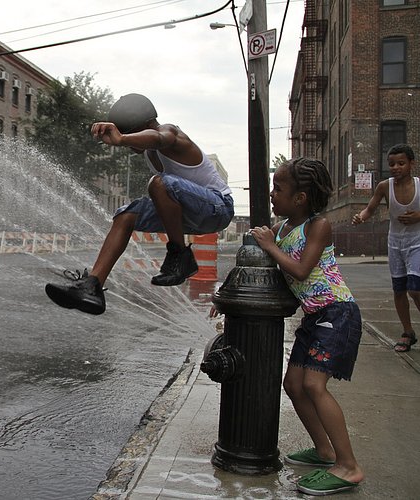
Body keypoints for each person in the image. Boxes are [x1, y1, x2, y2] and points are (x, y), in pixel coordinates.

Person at [45, 93, 234, 315]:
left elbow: (159, 137)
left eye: (126, 134)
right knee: (125, 215)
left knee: (159, 183)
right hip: (190, 212)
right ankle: (92, 286)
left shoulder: (171, 132)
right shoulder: (149, 153)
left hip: (218, 207)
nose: (124, 143)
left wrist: (123, 139)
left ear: (140, 127)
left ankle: (179, 255)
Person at [250, 157, 363, 496]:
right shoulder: (282, 228)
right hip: (315, 317)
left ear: (300, 198)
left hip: (337, 311)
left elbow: (300, 271)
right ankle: (325, 451)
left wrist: (270, 246)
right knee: (294, 385)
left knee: (314, 385)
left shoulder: (318, 226)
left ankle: (349, 467)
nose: (272, 195)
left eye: (278, 189)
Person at [352, 143, 419, 352]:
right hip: (395, 243)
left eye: (401, 163)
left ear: (411, 164)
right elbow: (370, 208)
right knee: (399, 290)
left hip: (417, 242)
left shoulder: (419, 185)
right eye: (392, 164)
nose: (396, 167)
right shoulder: (384, 186)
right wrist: (360, 217)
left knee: (414, 288)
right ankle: (408, 332)